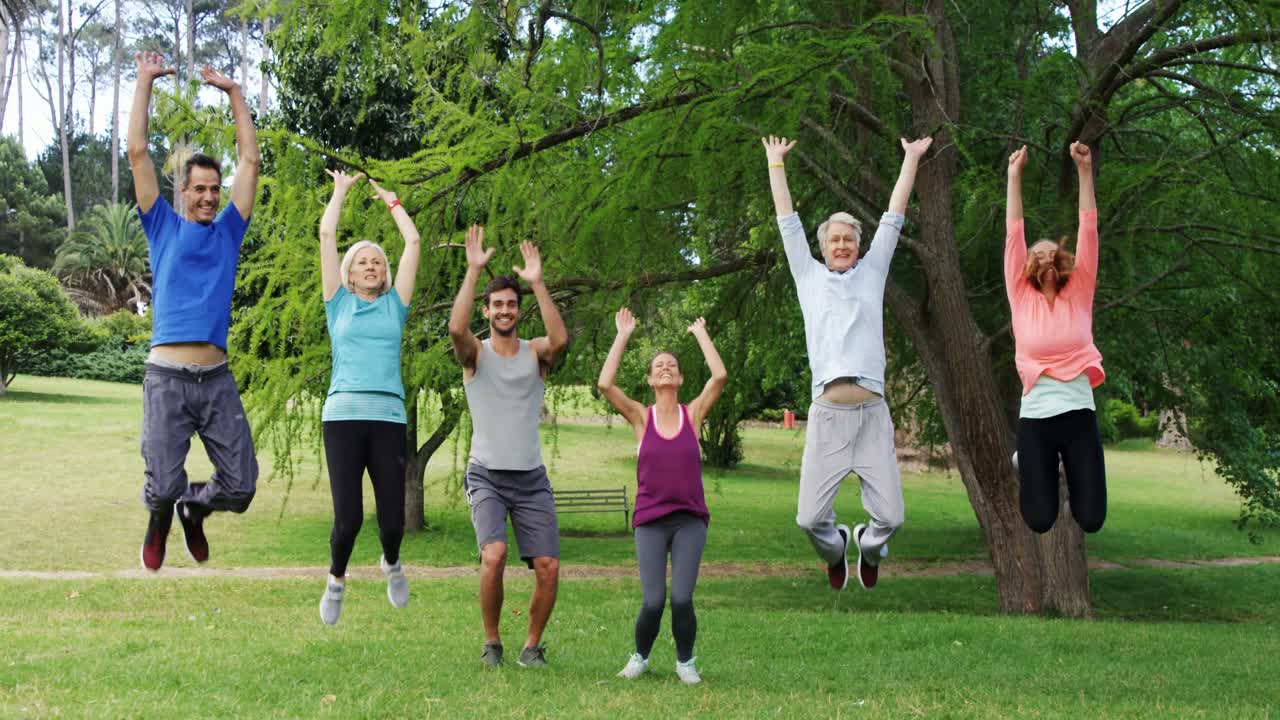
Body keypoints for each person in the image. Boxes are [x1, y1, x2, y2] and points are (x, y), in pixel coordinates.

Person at [761, 134, 932, 591]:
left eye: (848, 239)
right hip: (829, 417)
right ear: (823, 247)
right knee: (809, 517)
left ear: (858, 245)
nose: (841, 245)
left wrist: (911, 159)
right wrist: (776, 163)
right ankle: (837, 546)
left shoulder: (873, 272)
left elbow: (894, 219)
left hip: (872, 415)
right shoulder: (808, 276)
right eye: (834, 239)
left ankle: (869, 546)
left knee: (892, 517)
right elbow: (787, 223)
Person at [131, 51, 260, 571]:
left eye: (214, 189)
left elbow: (250, 162)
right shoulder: (162, 226)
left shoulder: (229, 231)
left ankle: (192, 509)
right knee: (160, 485)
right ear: (181, 192)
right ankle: (163, 512)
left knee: (243, 485)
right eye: (199, 189)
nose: (209, 197)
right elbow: (138, 150)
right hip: (166, 378)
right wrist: (145, 81)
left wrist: (234, 94)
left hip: (217, 379)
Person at [447, 225, 568, 668]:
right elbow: (455, 327)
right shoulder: (474, 354)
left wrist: (537, 282)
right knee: (494, 555)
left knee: (549, 568)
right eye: (497, 304)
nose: (504, 310)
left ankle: (531, 647)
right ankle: (492, 642)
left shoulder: (535, 354)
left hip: (531, 477)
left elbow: (560, 340)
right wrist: (473, 270)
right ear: (487, 309)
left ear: (519, 311)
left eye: (511, 304)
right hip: (487, 475)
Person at [597, 308, 728, 685]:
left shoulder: (695, 414)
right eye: (659, 366)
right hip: (651, 522)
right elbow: (606, 385)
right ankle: (640, 656)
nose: (666, 367)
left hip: (689, 521)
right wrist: (622, 335)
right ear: (651, 380)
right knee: (653, 601)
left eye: (672, 364)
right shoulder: (641, 417)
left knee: (682, 599)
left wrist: (701, 333)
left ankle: (685, 662)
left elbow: (719, 376)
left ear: (681, 377)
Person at [315, 170, 422, 625]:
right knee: (350, 518)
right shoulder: (337, 303)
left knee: (392, 521)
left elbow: (413, 245)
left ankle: (392, 562)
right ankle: (336, 579)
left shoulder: (395, 304)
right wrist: (340, 193)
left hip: (388, 418)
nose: (371, 266)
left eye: (377, 261)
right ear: (349, 273)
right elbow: (326, 233)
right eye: (362, 262)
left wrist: (394, 205)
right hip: (342, 417)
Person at [1005, 143, 1107, 534]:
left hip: (1079, 413)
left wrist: (1085, 171)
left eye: (1053, 252)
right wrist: (1014, 177)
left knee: (1092, 519)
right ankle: (1030, 461)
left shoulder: (1079, 291)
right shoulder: (1021, 295)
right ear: (1028, 265)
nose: (1046, 257)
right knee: (1039, 519)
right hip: (1036, 417)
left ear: (1063, 259)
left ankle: (1071, 462)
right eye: (1038, 254)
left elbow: (1088, 227)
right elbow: (1014, 233)